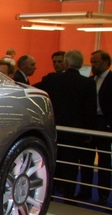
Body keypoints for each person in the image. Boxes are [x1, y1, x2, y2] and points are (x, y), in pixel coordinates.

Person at [36, 50, 96, 198]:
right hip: (75, 133)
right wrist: (88, 133)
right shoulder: (88, 83)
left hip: (54, 129)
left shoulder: (51, 79)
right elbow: (90, 111)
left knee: (51, 163)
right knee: (71, 166)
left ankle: (48, 195)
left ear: (66, 62)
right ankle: (69, 196)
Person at [77, 49, 112, 203]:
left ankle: (103, 195)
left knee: (104, 161)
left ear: (106, 62)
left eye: (95, 62)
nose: (92, 65)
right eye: (91, 62)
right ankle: (85, 191)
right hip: (90, 123)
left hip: (105, 124)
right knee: (86, 159)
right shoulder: (90, 81)